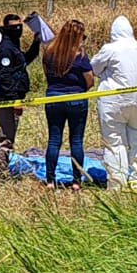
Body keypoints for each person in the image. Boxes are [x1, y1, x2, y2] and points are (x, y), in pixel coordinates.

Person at [90, 16, 137, 190]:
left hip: (112, 102)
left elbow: (94, 68)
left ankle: (117, 182)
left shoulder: (109, 49)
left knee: (114, 142)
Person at [42, 19, 96, 186]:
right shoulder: (80, 56)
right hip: (76, 99)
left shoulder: (49, 52)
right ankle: (76, 181)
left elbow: (47, 76)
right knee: (76, 141)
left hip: (53, 98)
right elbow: (90, 80)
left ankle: (50, 180)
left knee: (54, 139)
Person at [0, 13, 41, 175]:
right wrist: (15, 101)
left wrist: (36, 44)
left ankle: (0, 166)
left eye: (20, 26)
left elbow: (22, 63)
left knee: (7, 133)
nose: (18, 29)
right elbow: (5, 76)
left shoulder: (13, 44)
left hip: (14, 96)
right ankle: (1, 172)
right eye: (14, 27)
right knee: (6, 138)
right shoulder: (5, 48)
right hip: (8, 99)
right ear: (6, 28)